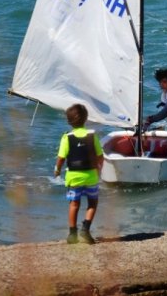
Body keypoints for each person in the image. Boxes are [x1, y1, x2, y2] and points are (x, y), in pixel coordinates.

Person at [54, 103, 103, 244]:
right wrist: (99, 169)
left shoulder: (66, 137)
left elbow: (61, 158)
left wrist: (57, 170)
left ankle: (72, 234)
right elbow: (100, 156)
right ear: (86, 118)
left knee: (74, 204)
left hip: (73, 177)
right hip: (91, 176)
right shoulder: (92, 135)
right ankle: (85, 229)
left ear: (68, 121)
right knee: (93, 203)